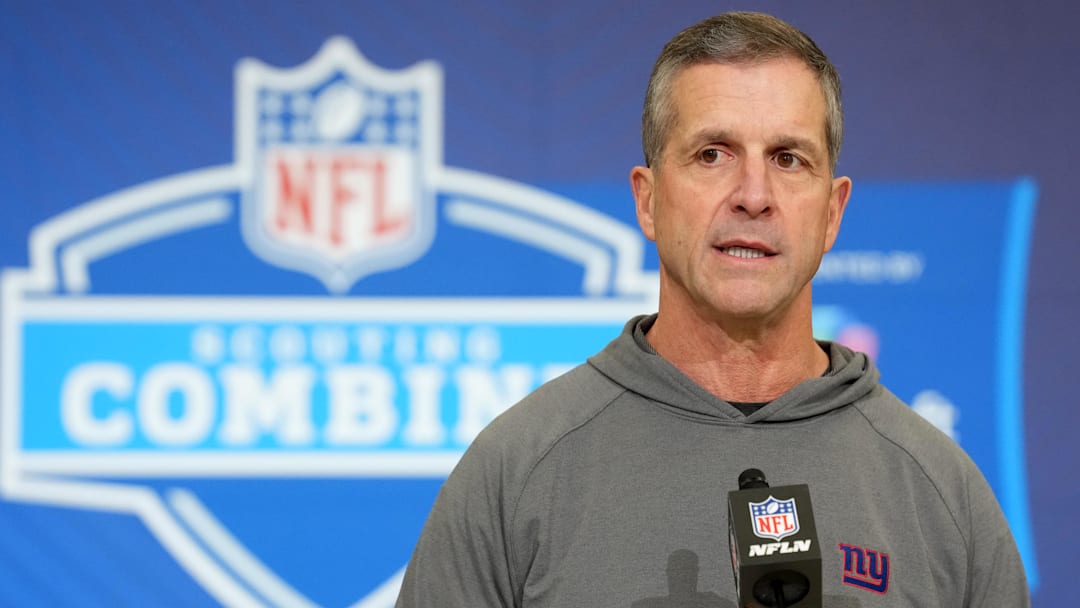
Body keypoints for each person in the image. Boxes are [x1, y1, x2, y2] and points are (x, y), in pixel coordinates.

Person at [396, 11, 1029, 607]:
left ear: (832, 212)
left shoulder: (944, 493)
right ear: (648, 201)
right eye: (713, 154)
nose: (754, 195)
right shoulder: (516, 470)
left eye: (788, 158)